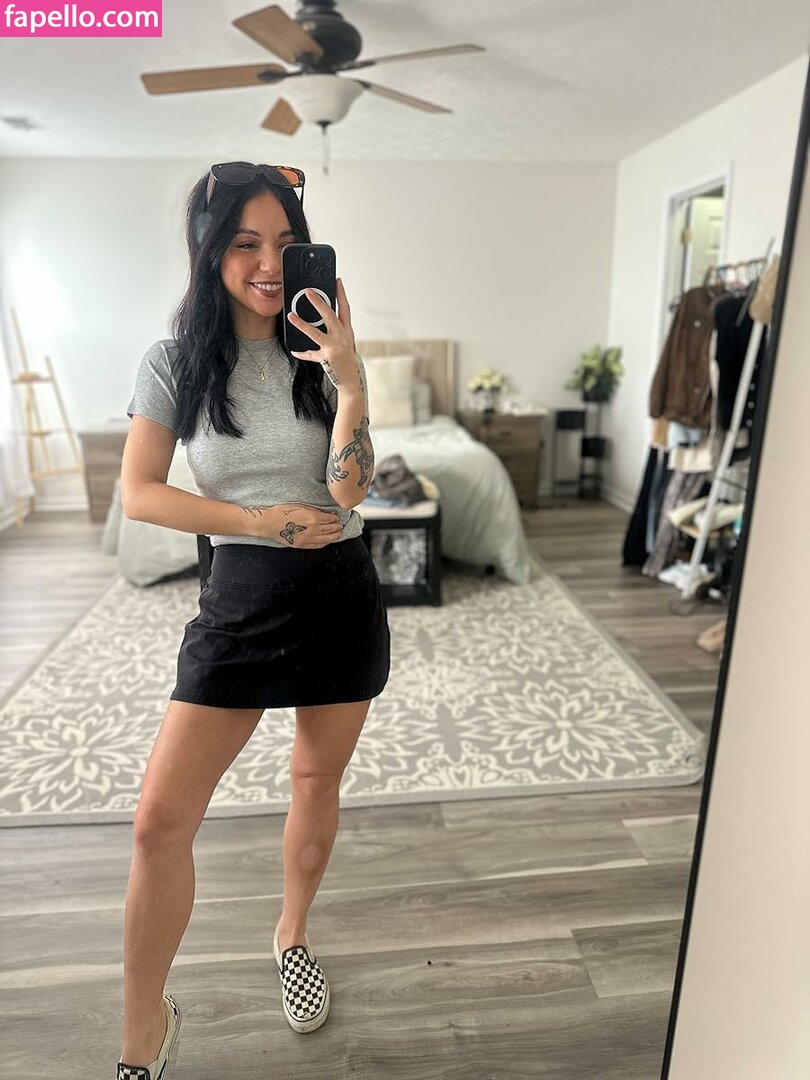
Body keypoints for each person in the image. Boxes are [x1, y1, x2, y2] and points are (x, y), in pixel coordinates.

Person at [116, 162, 390, 1079]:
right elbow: (141, 493)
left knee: (314, 781)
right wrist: (260, 521)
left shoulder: (325, 351)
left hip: (340, 597)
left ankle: (292, 934)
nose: (270, 264)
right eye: (245, 243)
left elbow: (351, 490)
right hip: (239, 598)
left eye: (285, 242)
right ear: (209, 252)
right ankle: (144, 1032)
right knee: (159, 822)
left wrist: (351, 380)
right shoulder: (175, 362)